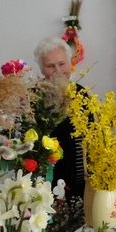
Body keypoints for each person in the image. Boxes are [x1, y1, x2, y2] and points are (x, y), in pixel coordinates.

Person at [33, 37, 85, 204]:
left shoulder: (81, 94)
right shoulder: (34, 98)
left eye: (62, 64)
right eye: (50, 66)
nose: (58, 70)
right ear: (42, 69)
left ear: (70, 63)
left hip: (82, 185)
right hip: (47, 187)